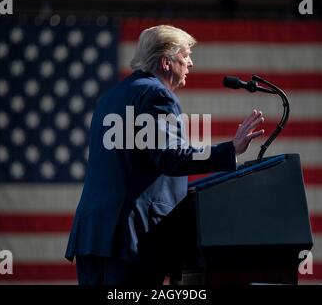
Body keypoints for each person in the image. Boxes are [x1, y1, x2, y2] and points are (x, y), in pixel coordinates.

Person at [65, 25, 265, 285]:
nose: (191, 63)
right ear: (165, 62)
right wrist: (229, 150)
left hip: (93, 235)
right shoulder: (156, 95)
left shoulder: (111, 97)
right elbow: (170, 157)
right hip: (131, 239)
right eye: (185, 55)